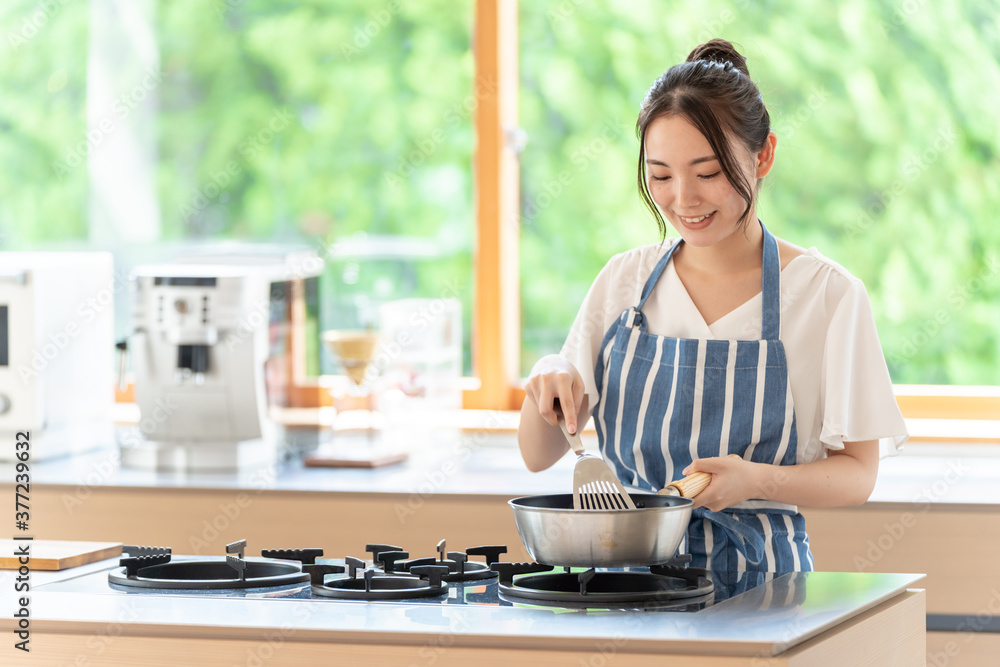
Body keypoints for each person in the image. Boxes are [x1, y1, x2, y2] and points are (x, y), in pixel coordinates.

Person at [517, 39, 908, 574]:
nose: (684, 199)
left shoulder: (827, 295)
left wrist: (756, 480)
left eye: (708, 173)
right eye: (660, 176)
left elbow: (859, 474)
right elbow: (539, 455)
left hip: (764, 587)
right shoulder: (624, 282)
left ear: (763, 154)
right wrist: (548, 371)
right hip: (625, 582)